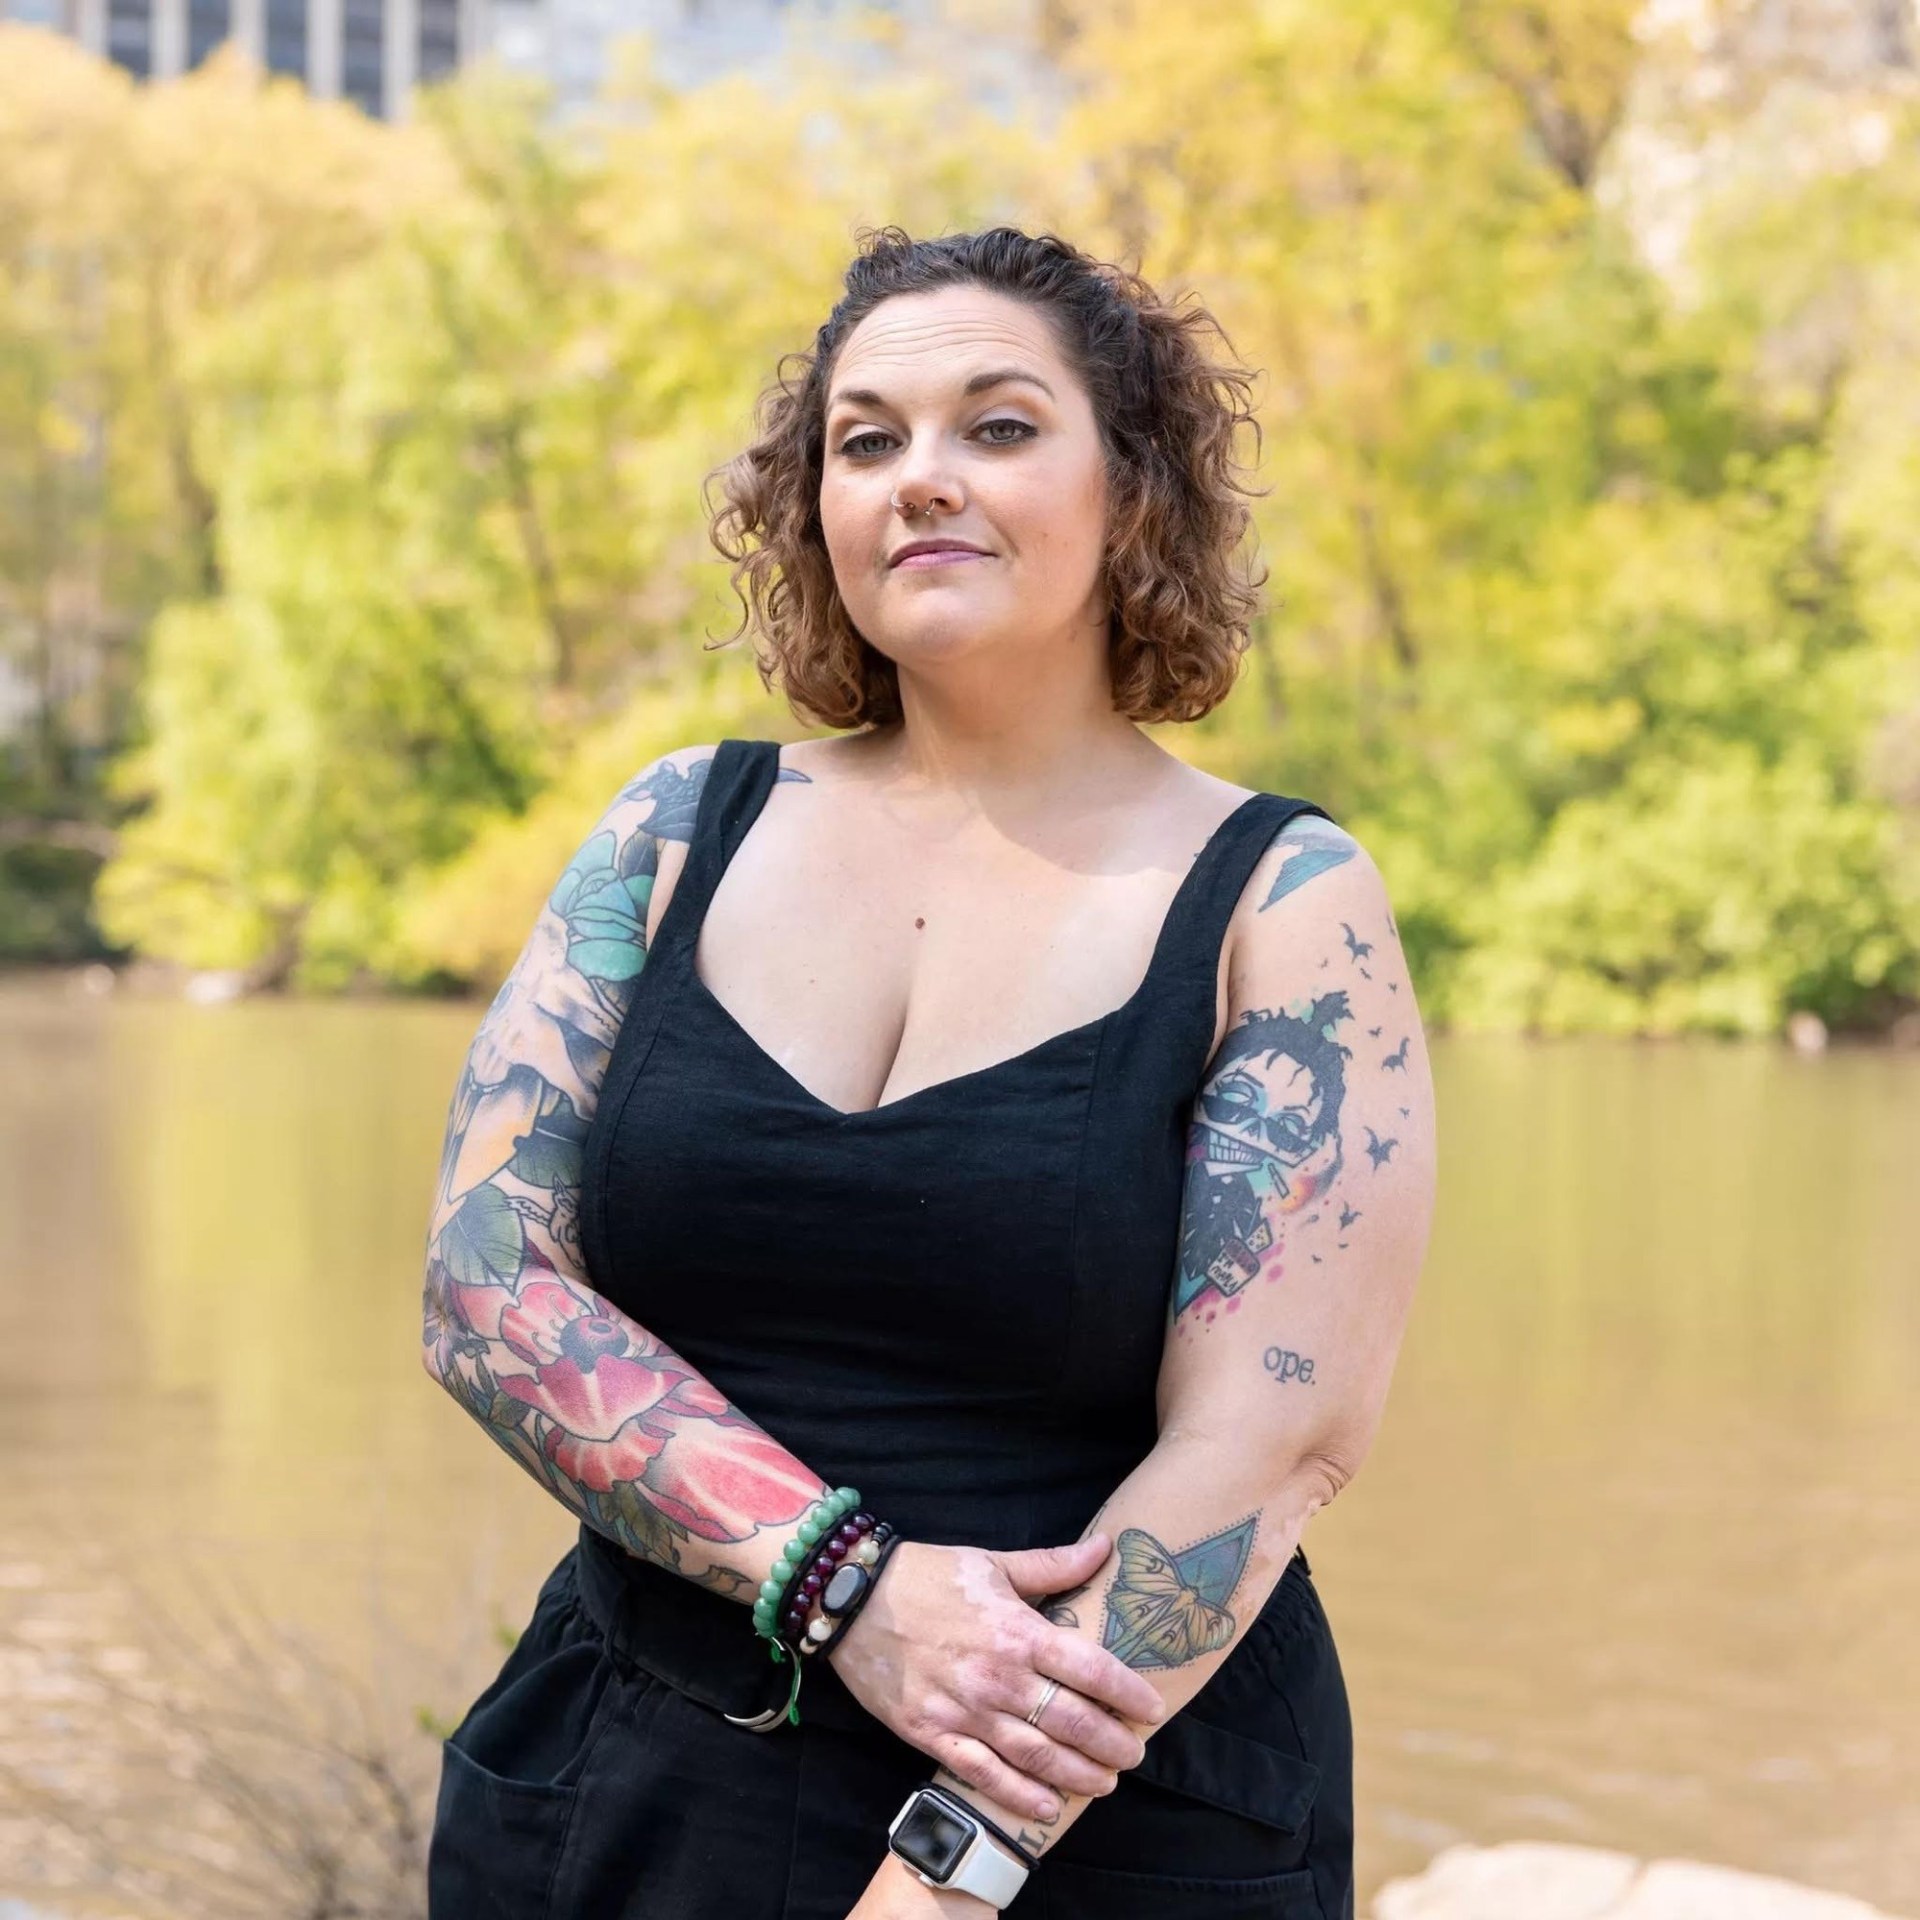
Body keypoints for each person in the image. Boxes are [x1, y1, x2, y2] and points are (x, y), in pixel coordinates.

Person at [420, 224, 1435, 1919]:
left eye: (1001, 426)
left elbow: (1271, 1449)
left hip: (1090, 1826)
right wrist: (843, 1589)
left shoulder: (1283, 900)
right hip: (628, 1776)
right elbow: (485, 1286)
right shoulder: (675, 831)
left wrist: (958, 1858)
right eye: (865, 440)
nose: (921, 480)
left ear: (1135, 494)